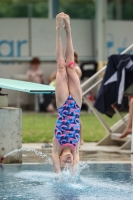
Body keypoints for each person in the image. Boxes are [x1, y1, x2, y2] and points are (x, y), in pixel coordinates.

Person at [52, 12, 82, 173]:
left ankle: (58, 29)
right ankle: (68, 29)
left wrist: (59, 173)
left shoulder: (57, 144)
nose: (69, 161)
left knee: (61, 67)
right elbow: (76, 164)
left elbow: (54, 158)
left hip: (63, 104)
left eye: (65, 163)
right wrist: (73, 173)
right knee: (71, 66)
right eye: (70, 164)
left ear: (59, 159)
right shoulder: (75, 147)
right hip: (76, 104)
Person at [49, 51, 84, 145]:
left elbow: (76, 79)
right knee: (61, 117)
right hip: (65, 93)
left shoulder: (76, 68)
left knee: (76, 118)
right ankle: (56, 137)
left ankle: (80, 138)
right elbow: (52, 77)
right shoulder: (65, 68)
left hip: (73, 94)